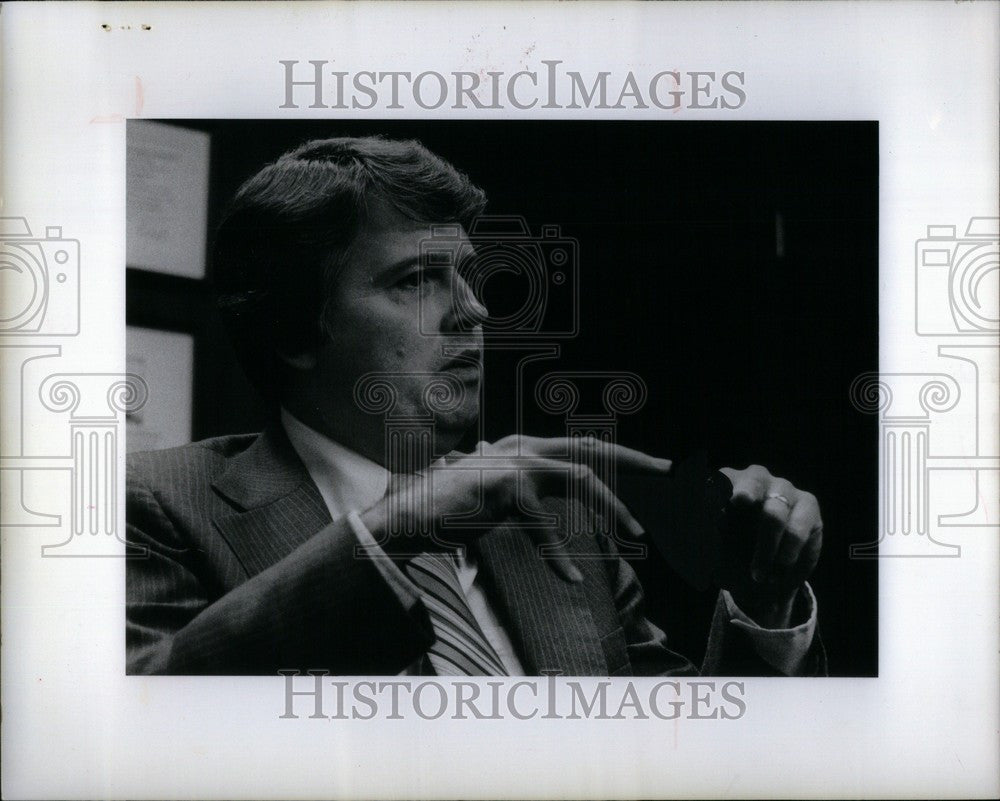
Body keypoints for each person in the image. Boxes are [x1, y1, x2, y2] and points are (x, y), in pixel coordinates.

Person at [126, 136, 825, 676]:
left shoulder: (559, 521)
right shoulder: (159, 505)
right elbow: (139, 730)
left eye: (466, 274)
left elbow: (689, 764)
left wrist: (765, 606)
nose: (474, 310)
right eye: (416, 280)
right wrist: (395, 529)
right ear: (294, 330)